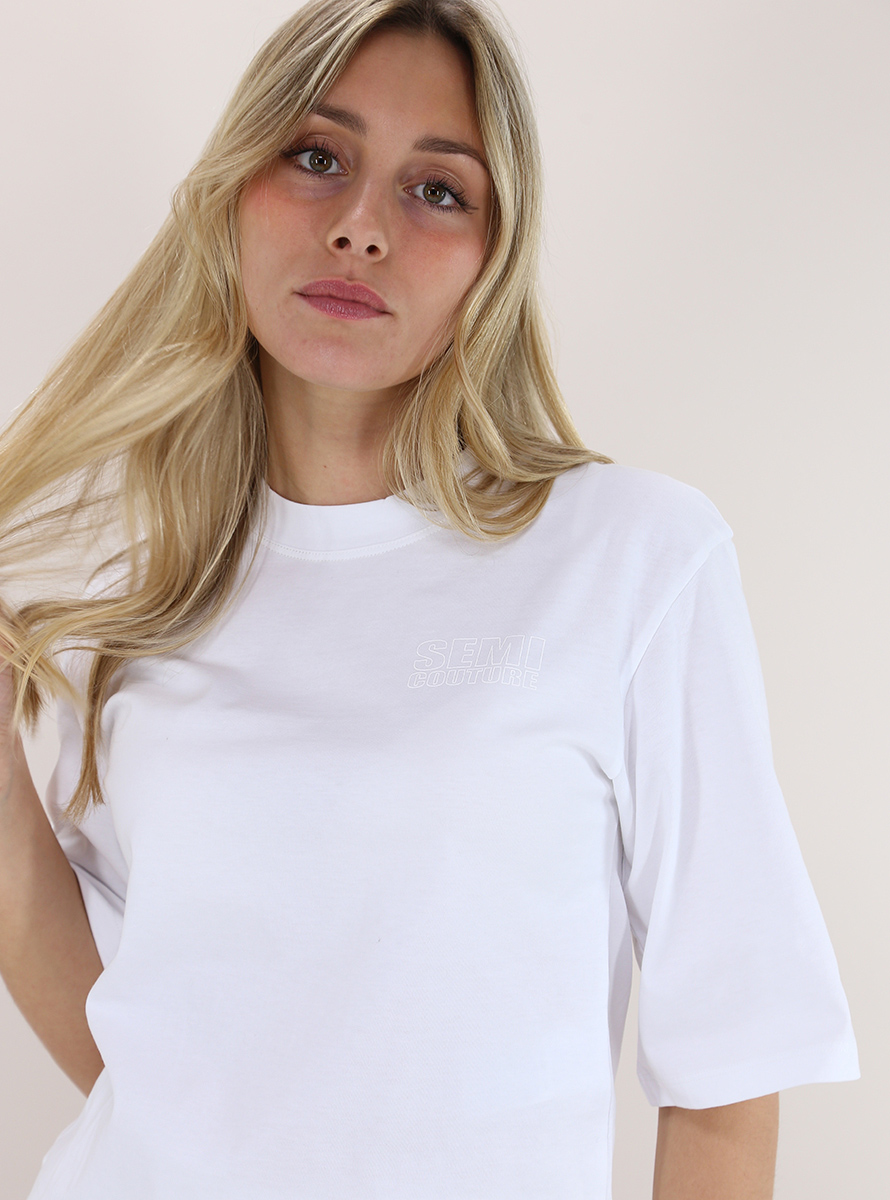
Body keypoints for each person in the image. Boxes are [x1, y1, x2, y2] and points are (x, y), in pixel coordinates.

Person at [0, 0, 859, 1197]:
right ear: (235, 190)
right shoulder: (128, 584)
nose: (359, 227)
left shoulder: (631, 559)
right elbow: (140, 1046)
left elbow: (727, 1066)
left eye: (436, 190)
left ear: (491, 257)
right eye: (316, 157)